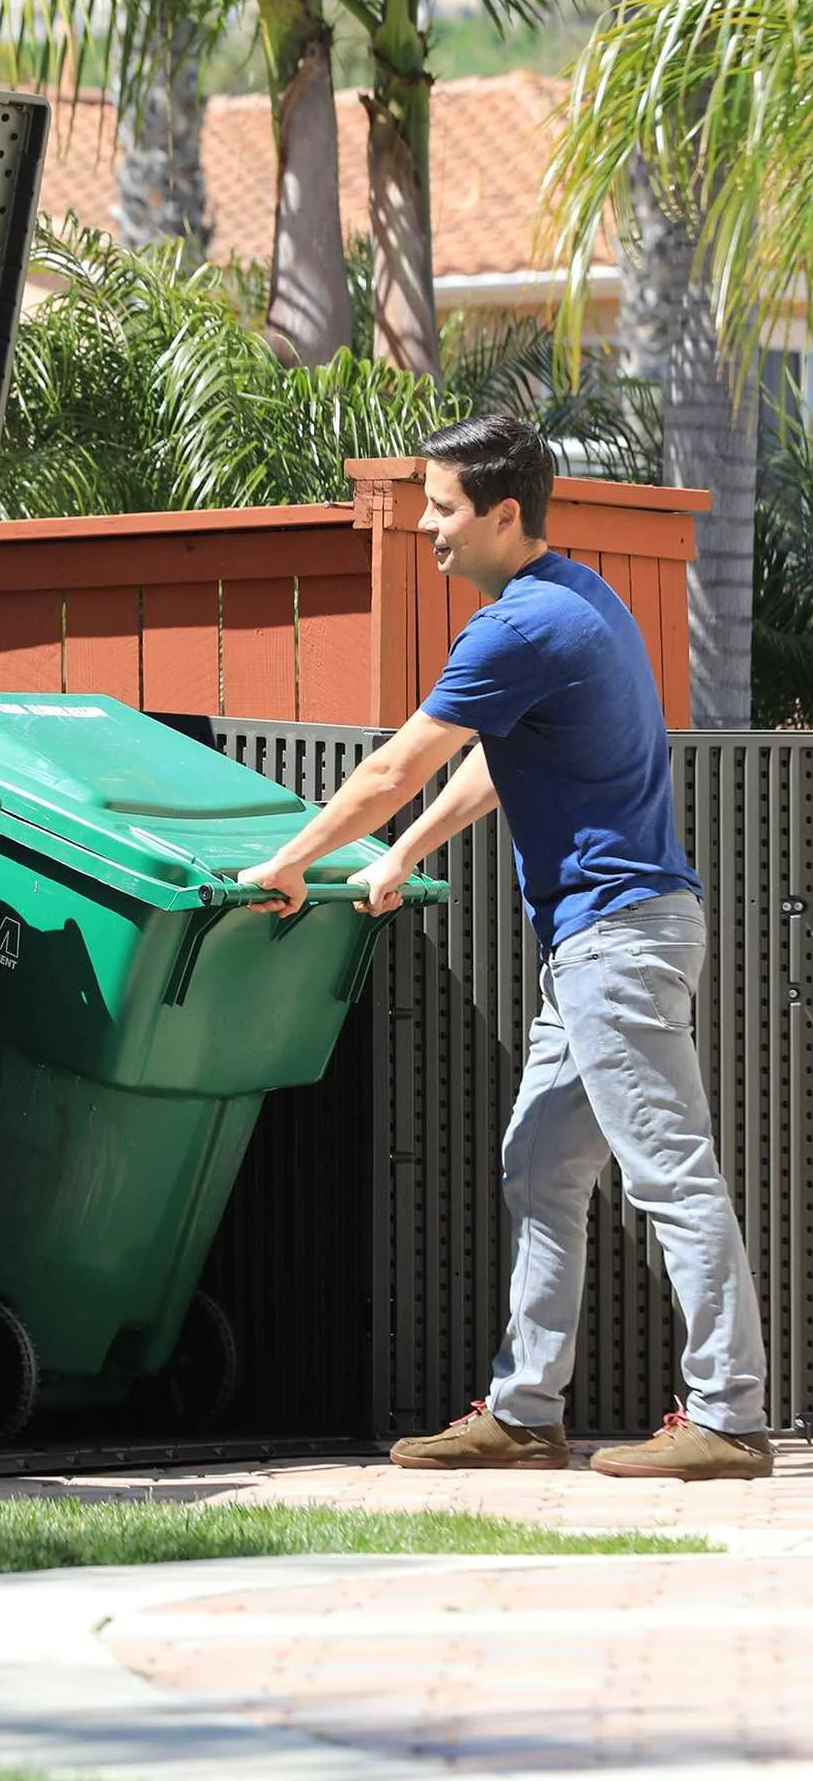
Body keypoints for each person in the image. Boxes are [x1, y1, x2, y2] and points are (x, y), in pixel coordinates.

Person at [237, 413, 771, 1481]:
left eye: (441, 507)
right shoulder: (577, 599)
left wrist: (288, 860)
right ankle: (524, 1410)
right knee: (538, 1164)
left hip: (613, 941)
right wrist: (400, 854)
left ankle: (727, 1415)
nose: (427, 526)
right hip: (599, 940)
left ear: (502, 513)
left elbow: (391, 766)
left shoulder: (518, 625)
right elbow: (494, 757)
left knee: (668, 1173)